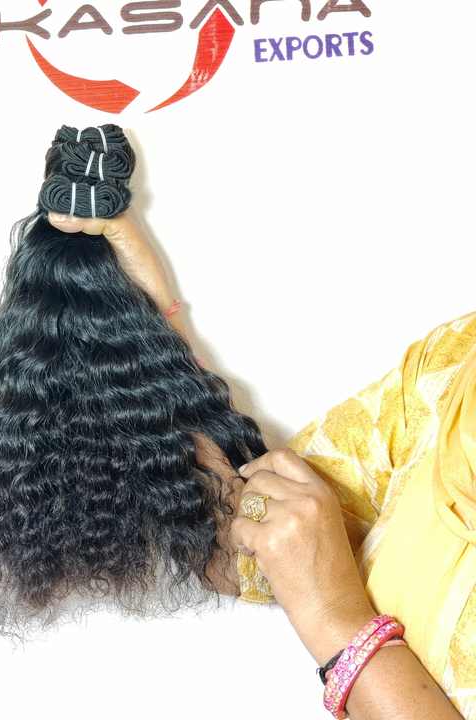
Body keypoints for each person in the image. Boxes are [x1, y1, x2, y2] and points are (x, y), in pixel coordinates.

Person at [48, 208, 475, 720]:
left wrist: (334, 618)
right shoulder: (455, 366)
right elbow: (255, 548)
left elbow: (308, 580)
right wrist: (153, 334)